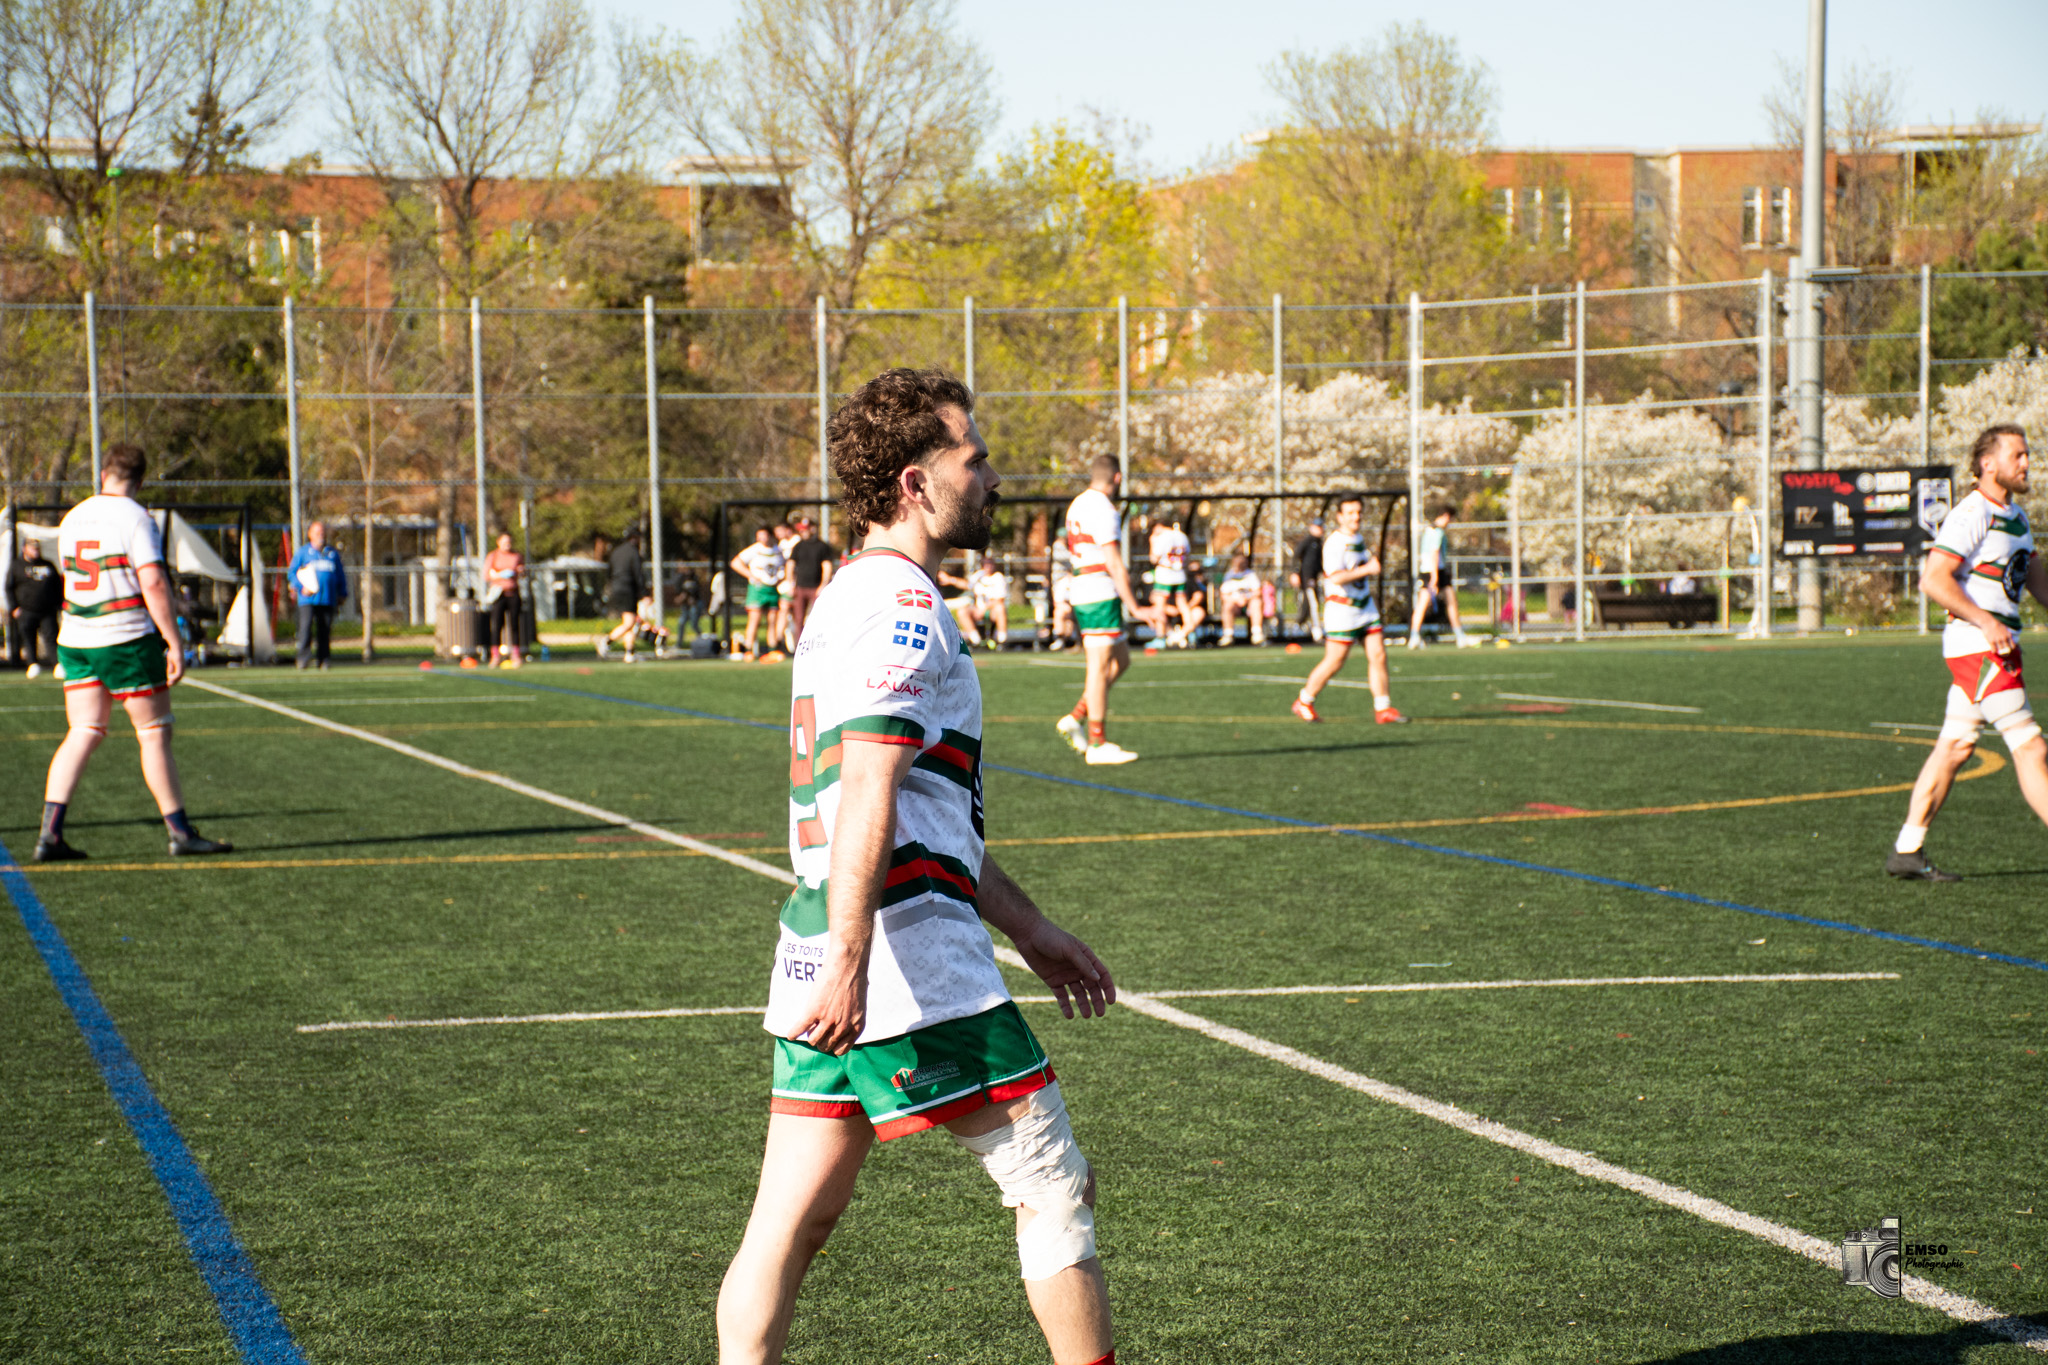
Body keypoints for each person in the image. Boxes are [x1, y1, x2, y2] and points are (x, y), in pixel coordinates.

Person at [720, 366, 1117, 1365]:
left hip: (819, 936)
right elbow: (870, 784)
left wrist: (1026, 926)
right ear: (913, 481)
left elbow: (923, 815)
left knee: (791, 1220)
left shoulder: (847, 597)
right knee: (1050, 1181)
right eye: (971, 458)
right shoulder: (902, 604)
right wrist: (858, 958)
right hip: (898, 953)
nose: (989, 477)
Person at [34, 444, 232, 862]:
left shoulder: (73, 518)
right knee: (154, 732)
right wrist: (173, 641)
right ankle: (179, 832)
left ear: (103, 473)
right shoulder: (136, 518)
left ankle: (49, 834)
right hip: (124, 637)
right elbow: (154, 583)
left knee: (84, 730)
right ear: (140, 481)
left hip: (77, 637)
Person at [1887, 424, 2048, 881]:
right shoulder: (1972, 511)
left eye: (2028, 454)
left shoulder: (2015, 516)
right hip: (1978, 647)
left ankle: (1907, 850)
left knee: (1956, 746)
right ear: (1987, 464)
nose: (2027, 463)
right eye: (2018, 455)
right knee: (2030, 747)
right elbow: (1934, 580)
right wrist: (1987, 620)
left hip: (1995, 645)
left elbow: (2036, 581)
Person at [1052, 456, 1146, 765]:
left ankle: (1076, 717)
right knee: (1099, 666)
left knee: (1121, 660)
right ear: (1117, 478)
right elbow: (1114, 562)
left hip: (1087, 587)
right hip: (1098, 591)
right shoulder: (1105, 508)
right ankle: (1097, 742)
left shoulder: (1078, 503)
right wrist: (1136, 606)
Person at [1291, 492, 1407, 726]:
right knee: (1335, 661)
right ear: (1339, 516)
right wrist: (1368, 570)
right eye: (1351, 513)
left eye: (1359, 512)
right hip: (1343, 611)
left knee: (1379, 655)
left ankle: (1383, 708)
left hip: (1365, 607)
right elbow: (1336, 577)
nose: (1356, 517)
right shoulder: (1334, 543)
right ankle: (1304, 700)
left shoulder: (1358, 538)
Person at [1407, 505, 1474, 648]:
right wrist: (1435, 577)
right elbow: (1434, 553)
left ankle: (1414, 636)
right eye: (1450, 519)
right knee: (1449, 602)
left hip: (1427, 570)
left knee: (1423, 605)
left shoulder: (1428, 530)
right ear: (1445, 516)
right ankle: (1460, 637)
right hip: (1435, 571)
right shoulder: (1437, 532)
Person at [287, 520, 349, 671]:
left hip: (327, 598)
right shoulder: (303, 553)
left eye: (322, 532)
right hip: (307, 599)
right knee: (305, 628)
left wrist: (342, 593)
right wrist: (301, 587)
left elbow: (339, 575)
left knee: (324, 631)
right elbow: (292, 573)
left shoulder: (332, 553)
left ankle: (324, 660)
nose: (320, 535)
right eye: (317, 532)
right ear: (310, 534)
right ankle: (303, 659)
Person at [8, 535, 61, 677]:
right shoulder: (17, 566)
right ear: (25, 549)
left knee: (51, 637)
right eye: (32, 548)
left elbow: (57, 585)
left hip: (47, 610)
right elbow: (9, 587)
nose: (36, 551)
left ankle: (57, 664)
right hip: (27, 610)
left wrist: (58, 604)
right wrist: (14, 607)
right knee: (29, 638)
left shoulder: (48, 565)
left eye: (37, 548)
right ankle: (32, 664)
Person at [730, 526, 785, 660]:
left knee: (772, 620)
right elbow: (735, 563)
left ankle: (772, 649)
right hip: (757, 589)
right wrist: (751, 575)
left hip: (772, 589)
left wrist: (781, 578)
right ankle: (749, 651)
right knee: (754, 620)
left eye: (763, 535)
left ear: (771, 536)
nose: (760, 538)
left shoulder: (778, 550)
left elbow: (784, 566)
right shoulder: (755, 549)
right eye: (758, 536)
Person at [1147, 517, 1203, 648]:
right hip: (1179, 573)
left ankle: (1160, 637)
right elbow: (1187, 556)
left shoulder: (1162, 537)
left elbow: (1154, 558)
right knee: (1183, 605)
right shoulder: (1182, 535)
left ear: (1159, 526)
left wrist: (1151, 542)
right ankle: (1189, 632)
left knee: (1159, 604)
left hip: (1165, 573)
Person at [599, 528, 648, 662]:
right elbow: (638, 575)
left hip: (616, 588)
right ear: (635, 538)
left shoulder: (616, 552)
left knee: (629, 622)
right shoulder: (633, 553)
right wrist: (645, 593)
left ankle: (629, 652)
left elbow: (608, 572)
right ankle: (607, 641)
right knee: (630, 622)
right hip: (627, 590)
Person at [786, 518, 838, 644]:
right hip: (800, 587)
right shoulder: (798, 546)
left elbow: (826, 566)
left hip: (816, 588)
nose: (803, 532)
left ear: (812, 529)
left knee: (818, 618)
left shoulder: (822, 546)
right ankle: (799, 645)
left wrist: (823, 585)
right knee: (798, 619)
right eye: (801, 529)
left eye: (806, 529)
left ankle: (817, 644)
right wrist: (790, 583)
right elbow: (790, 565)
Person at [483, 532, 526, 667]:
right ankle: (495, 655)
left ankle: (516, 655)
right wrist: (501, 575)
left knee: (514, 625)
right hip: (499, 594)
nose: (507, 544)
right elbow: (487, 575)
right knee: (497, 625)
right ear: (498, 542)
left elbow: (523, 573)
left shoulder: (517, 556)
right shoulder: (493, 556)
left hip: (513, 593)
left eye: (509, 541)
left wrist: (521, 571)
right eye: (505, 542)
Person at [1217, 553, 1265, 646]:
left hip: (1248, 603)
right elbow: (1224, 595)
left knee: (1256, 603)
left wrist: (1246, 598)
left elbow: (1258, 592)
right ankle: (1228, 635)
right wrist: (1236, 600)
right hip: (1235, 603)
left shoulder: (1251, 575)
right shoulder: (1229, 575)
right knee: (1227, 606)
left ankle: (1257, 634)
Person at [1291, 518, 1324, 643]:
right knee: (1312, 603)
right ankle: (1316, 631)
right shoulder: (1307, 541)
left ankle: (1299, 625)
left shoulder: (1320, 543)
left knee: (1309, 603)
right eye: (1317, 527)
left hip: (1315, 578)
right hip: (1306, 578)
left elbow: (1319, 562)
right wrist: (1295, 573)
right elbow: (1296, 556)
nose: (1320, 530)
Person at [969, 556, 1011, 647]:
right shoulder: (977, 576)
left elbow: (999, 600)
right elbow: (967, 585)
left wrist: (984, 608)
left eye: (990, 565)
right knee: (962, 611)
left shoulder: (998, 577)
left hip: (992, 610)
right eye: (986, 565)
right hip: (978, 609)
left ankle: (1002, 640)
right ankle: (975, 640)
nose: (988, 567)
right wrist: (951, 580)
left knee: (1000, 608)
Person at [774, 522, 801, 650]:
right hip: (785, 585)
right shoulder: (781, 544)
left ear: (788, 530)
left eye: (779, 531)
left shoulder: (797, 542)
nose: (777, 534)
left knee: (797, 615)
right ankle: (778, 644)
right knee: (783, 611)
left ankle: (796, 644)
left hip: (796, 584)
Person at [1047, 538, 1075, 651]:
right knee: (1061, 612)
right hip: (1067, 606)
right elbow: (1060, 602)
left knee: (1068, 613)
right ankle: (1062, 638)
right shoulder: (1062, 582)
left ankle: (1071, 639)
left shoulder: (1076, 580)